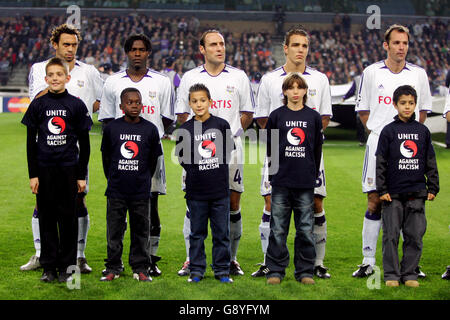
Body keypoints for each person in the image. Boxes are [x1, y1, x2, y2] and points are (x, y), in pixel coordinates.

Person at [22, 23, 103, 274]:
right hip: (46, 154)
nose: (70, 49)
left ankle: (78, 256)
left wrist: (78, 114)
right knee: (43, 206)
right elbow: (38, 100)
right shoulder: (39, 69)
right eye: (65, 44)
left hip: (74, 154)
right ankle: (41, 254)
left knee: (79, 201)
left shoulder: (89, 71)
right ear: (54, 45)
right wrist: (58, 78)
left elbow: (99, 102)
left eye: (74, 45)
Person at [353, 24, 432, 278]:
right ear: (386, 45)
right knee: (375, 200)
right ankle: (368, 261)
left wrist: (406, 136)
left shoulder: (419, 74)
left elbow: (422, 113)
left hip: (409, 147)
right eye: (396, 43)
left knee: (409, 202)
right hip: (379, 143)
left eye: (405, 43)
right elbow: (363, 111)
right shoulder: (371, 72)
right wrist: (383, 135)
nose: (401, 47)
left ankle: (410, 264)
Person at [253, 28, 332, 279]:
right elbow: (264, 120)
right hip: (279, 158)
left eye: (305, 45)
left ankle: (314, 265)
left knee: (313, 208)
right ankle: (272, 264)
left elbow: (325, 119)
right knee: (272, 206)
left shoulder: (320, 79)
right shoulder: (269, 79)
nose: (301, 49)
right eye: (295, 45)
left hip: (308, 158)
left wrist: (305, 139)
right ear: (285, 48)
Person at [175, 30, 254, 277]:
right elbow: (181, 115)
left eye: (222, 43)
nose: (220, 48)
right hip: (197, 148)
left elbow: (248, 112)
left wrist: (228, 137)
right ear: (202, 49)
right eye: (213, 44)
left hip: (230, 150)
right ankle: (191, 259)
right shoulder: (190, 77)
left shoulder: (239, 76)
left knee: (231, 202)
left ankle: (231, 259)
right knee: (194, 201)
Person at [98, 33, 174, 277]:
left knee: (151, 209)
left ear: (148, 52)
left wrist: (148, 138)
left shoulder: (161, 82)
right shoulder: (112, 82)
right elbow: (108, 122)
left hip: (150, 155)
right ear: (127, 52)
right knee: (119, 214)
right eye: (133, 49)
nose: (138, 53)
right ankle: (116, 263)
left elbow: (167, 119)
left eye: (142, 49)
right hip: (122, 160)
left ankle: (149, 259)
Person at [376, 85, 439, 287]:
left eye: (411, 103)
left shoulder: (422, 131)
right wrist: (382, 189)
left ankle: (410, 274)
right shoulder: (388, 131)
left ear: (415, 105)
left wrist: (433, 187)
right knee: (391, 236)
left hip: (417, 192)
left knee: (415, 236)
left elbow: (430, 160)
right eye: (403, 103)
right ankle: (392, 275)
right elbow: (381, 162)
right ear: (395, 105)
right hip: (392, 194)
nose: (407, 107)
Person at [265, 72, 323, 285]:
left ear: (305, 91)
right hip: (281, 180)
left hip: (305, 182)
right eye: (291, 88)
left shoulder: (313, 117)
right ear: (285, 91)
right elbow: (269, 147)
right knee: (278, 228)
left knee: (306, 229)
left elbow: (317, 149)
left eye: (300, 87)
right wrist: (273, 174)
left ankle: (305, 271)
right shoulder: (276, 116)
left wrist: (312, 173)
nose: (296, 91)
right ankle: (275, 271)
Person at [100, 88, 162, 282]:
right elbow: (106, 158)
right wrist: (113, 178)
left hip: (140, 191)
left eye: (137, 102)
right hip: (117, 190)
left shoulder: (150, 129)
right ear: (121, 106)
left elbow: (153, 160)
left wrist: (143, 179)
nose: (134, 105)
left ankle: (140, 268)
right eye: (130, 102)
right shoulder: (112, 128)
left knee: (141, 231)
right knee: (114, 231)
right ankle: (113, 267)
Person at [176, 83, 235, 283]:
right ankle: (197, 271)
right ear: (190, 104)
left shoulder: (221, 125)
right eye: (194, 101)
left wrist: (213, 168)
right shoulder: (185, 129)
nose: (199, 104)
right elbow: (182, 158)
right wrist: (197, 169)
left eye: (203, 100)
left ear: (210, 102)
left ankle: (222, 271)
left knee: (221, 234)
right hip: (196, 191)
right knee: (197, 234)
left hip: (219, 190)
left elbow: (227, 152)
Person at [343, 61, 370, 146]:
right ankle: (362, 140)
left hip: (371, 104)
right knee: (360, 122)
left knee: (370, 122)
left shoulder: (375, 79)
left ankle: (370, 140)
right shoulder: (358, 79)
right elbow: (352, 90)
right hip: (361, 104)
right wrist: (345, 97)